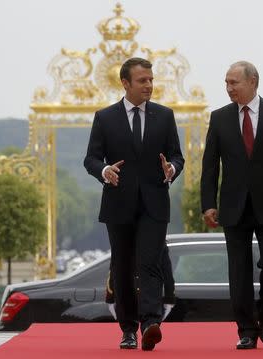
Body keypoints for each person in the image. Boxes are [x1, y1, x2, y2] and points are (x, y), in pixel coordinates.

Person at [84, 57, 184, 351]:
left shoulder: (164, 116)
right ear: (125, 83)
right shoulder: (105, 118)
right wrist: (104, 171)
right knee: (123, 267)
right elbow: (90, 158)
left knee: (150, 263)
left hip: (154, 203)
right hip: (118, 203)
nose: (149, 85)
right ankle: (128, 329)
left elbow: (177, 156)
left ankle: (150, 323)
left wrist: (172, 170)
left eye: (151, 80)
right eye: (143, 81)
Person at [200, 61, 263, 349]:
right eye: (226, 83)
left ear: (253, 82)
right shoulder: (219, 118)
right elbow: (210, 166)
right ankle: (246, 329)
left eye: (234, 82)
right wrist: (208, 203)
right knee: (239, 271)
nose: (229, 88)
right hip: (233, 207)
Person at [105, 244, 176, 321]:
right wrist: (169, 299)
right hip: (150, 301)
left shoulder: (123, 240)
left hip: (128, 300)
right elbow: (167, 273)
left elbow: (114, 270)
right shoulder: (158, 242)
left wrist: (110, 297)